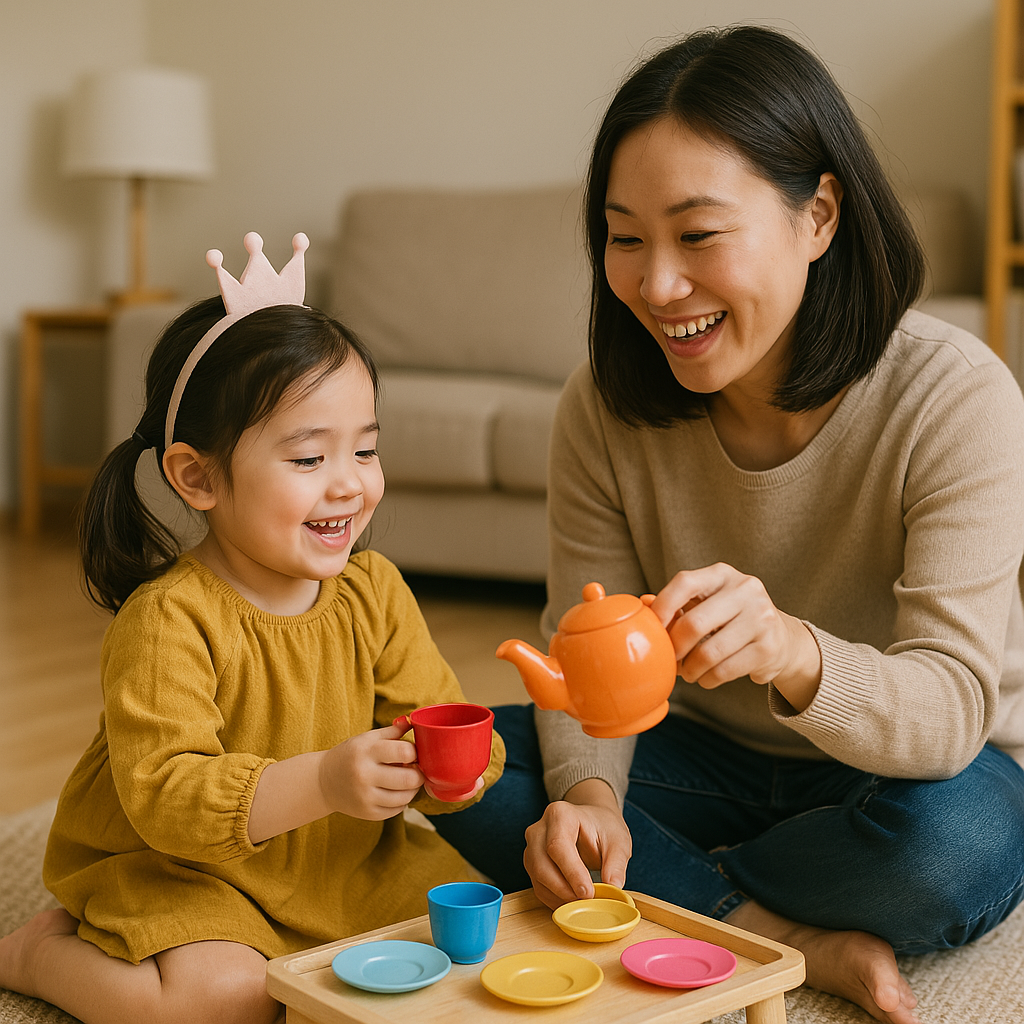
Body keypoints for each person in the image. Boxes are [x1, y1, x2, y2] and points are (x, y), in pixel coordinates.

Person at [429, 25, 1024, 1024]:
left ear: (818, 215)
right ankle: (770, 928)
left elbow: (951, 705)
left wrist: (794, 650)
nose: (657, 287)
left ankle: (657, 891)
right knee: (435, 758)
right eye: (625, 238)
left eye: (698, 236)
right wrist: (589, 798)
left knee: (949, 851)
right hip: (694, 756)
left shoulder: (955, 397)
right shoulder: (602, 407)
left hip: (915, 776)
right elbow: (582, 665)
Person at [0, 233, 505, 1024]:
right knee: (225, 1000)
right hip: (185, 865)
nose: (350, 482)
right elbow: (166, 799)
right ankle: (36, 951)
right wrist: (328, 781)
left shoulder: (373, 589)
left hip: (341, 861)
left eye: (365, 449)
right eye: (308, 460)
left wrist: (458, 769)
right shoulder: (168, 619)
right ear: (197, 476)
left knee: (470, 953)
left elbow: (434, 711)